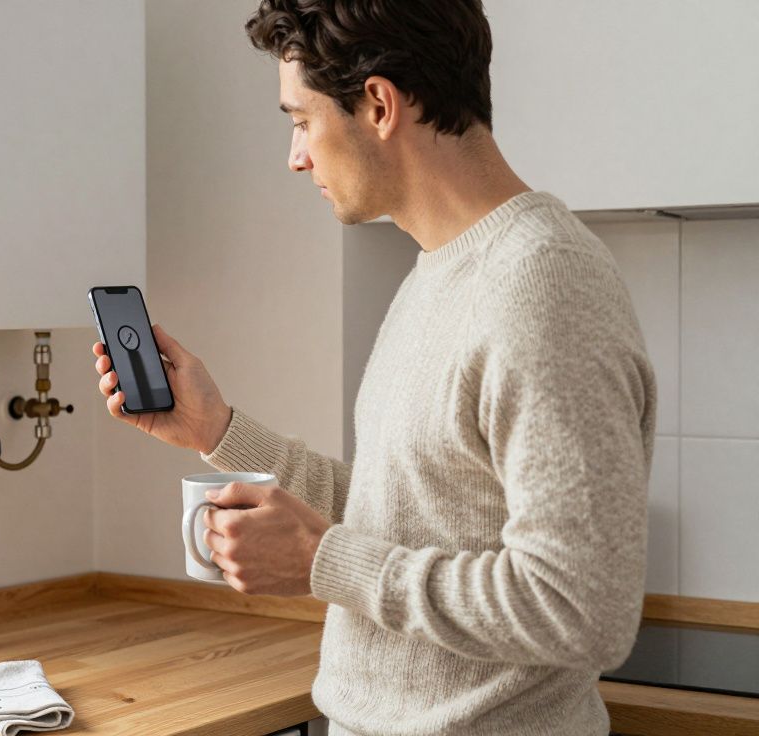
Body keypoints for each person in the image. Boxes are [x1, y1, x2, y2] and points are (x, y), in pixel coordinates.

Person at [90, 1, 657, 734]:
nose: (295, 157)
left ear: (380, 105)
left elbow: (583, 609)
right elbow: (411, 515)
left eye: (301, 120)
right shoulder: (438, 273)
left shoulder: (545, 284)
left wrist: (323, 561)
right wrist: (218, 429)